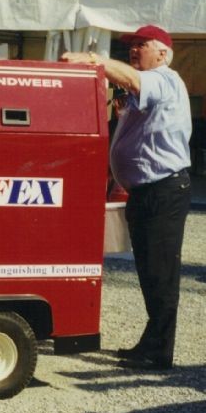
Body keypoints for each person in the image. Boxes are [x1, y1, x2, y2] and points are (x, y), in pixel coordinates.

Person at [62, 25, 192, 370]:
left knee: (161, 274)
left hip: (163, 189)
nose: (134, 50)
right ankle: (151, 345)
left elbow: (132, 79)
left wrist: (93, 59)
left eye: (142, 45)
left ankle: (159, 353)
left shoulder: (164, 80)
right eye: (132, 46)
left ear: (162, 52)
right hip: (146, 191)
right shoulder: (141, 87)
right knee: (150, 272)